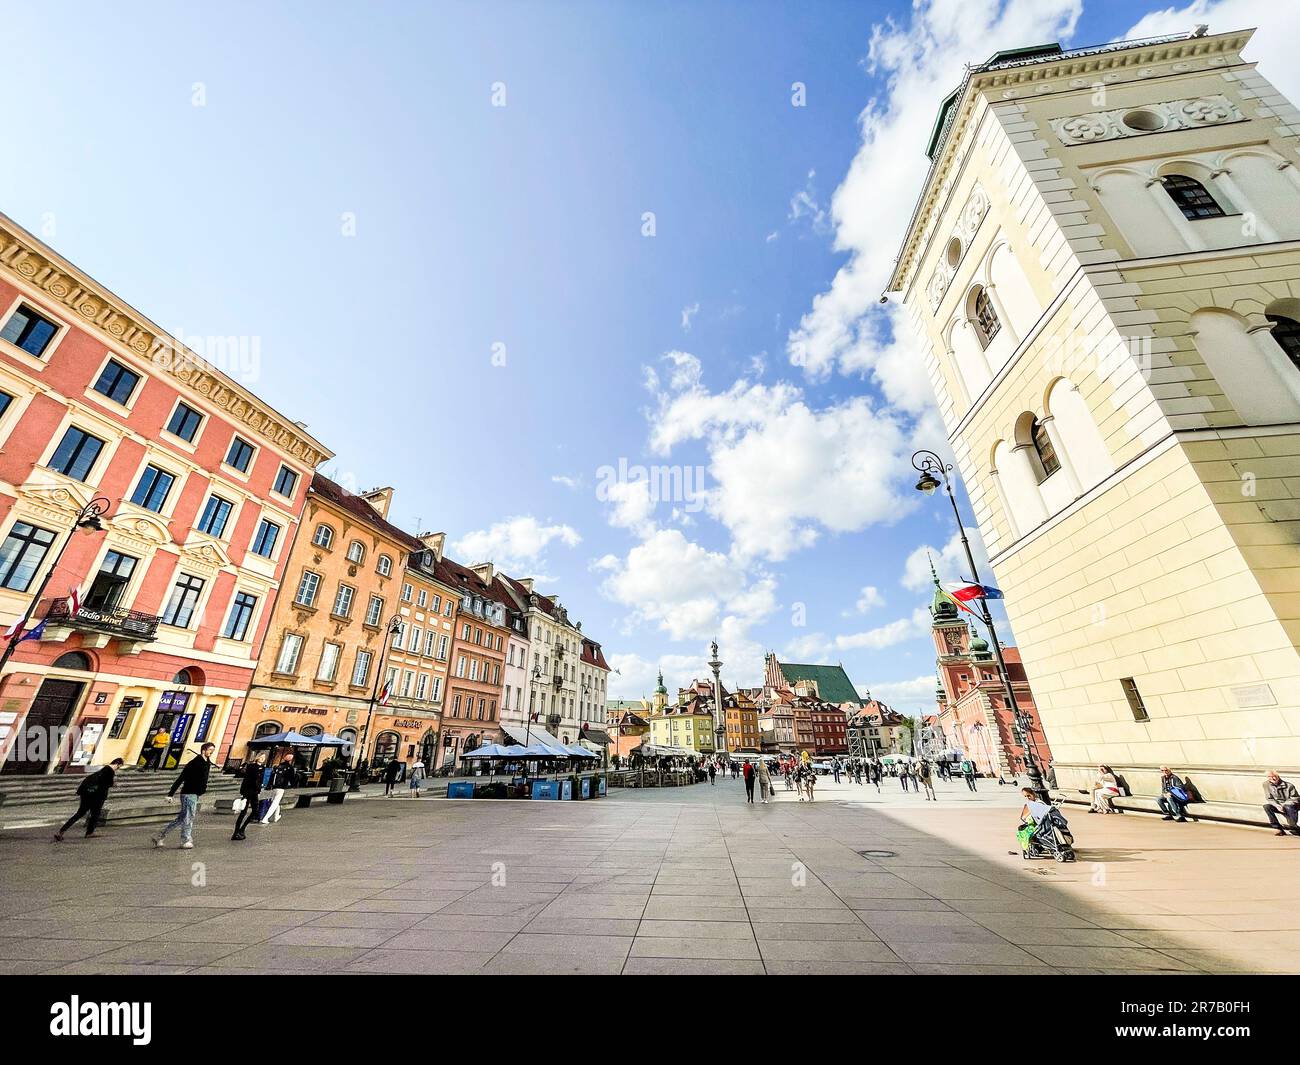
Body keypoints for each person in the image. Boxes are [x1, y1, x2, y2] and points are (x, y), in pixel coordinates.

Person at [154, 742, 215, 849]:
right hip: (189, 793)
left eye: (212, 750)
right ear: (203, 750)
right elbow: (181, 778)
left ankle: (160, 835)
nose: (211, 752)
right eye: (210, 750)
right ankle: (185, 840)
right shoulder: (194, 763)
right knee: (189, 817)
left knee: (181, 818)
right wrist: (170, 794)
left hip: (195, 794)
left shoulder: (206, 763)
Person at [54, 757, 124, 841]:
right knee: (95, 814)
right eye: (119, 766)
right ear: (117, 764)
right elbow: (107, 783)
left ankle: (61, 831)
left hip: (87, 794)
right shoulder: (110, 771)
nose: (118, 768)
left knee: (79, 813)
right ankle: (90, 833)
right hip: (96, 796)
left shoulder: (102, 770)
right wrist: (115, 784)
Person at [232, 754, 264, 840]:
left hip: (254, 791)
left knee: (255, 811)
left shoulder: (261, 768)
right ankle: (236, 832)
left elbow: (259, 780)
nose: (262, 759)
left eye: (264, 758)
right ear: (257, 758)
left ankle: (242, 829)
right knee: (244, 812)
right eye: (261, 757)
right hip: (249, 791)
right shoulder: (252, 767)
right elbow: (250, 779)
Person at [1263, 771, 1300, 837]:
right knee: (1267, 807)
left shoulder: (1289, 785)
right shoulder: (1266, 784)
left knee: (1288, 807)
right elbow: (1269, 798)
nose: (1273, 778)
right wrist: (1277, 805)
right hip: (1278, 805)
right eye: (1269, 777)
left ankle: (1293, 827)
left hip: (1291, 805)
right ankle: (1278, 828)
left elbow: (1295, 798)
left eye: (1274, 776)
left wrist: (1283, 805)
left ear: (1278, 776)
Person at [259, 756, 294, 824]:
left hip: (274, 786)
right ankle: (265, 818)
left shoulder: (278, 766)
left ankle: (276, 816)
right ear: (291, 760)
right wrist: (292, 785)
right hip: (281, 787)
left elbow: (272, 776)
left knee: (275, 801)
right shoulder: (290, 768)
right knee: (275, 803)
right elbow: (291, 778)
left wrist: (269, 785)